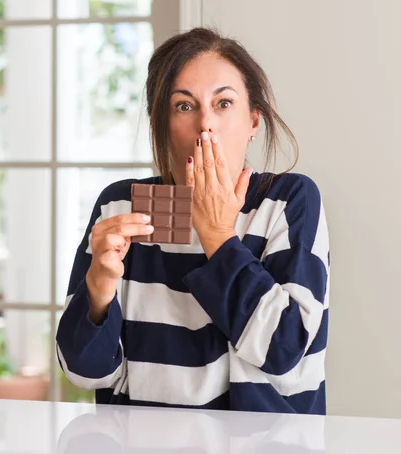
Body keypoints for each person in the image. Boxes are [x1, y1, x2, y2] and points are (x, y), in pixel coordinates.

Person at [56, 27, 330, 415]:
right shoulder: (120, 205)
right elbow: (83, 373)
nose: (206, 125)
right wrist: (99, 290)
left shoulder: (289, 202)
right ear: (163, 123)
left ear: (253, 122)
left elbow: (283, 351)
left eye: (224, 104)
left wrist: (217, 234)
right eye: (184, 106)